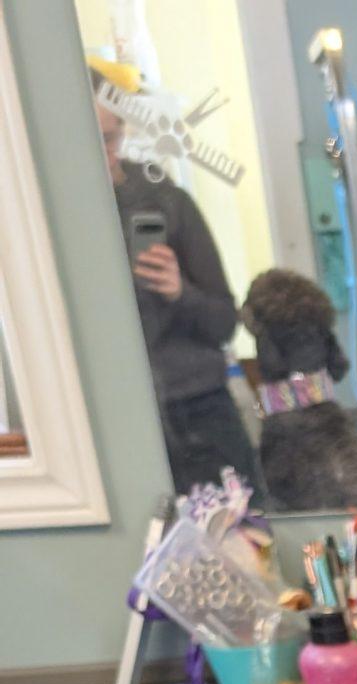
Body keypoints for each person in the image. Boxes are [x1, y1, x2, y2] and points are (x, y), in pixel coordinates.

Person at [96, 94, 256, 495]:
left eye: (111, 139)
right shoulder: (49, 218)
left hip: (199, 408)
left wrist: (180, 293)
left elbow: (224, 322)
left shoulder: (168, 203)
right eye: (93, 141)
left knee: (249, 541)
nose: (108, 155)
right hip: (112, 419)